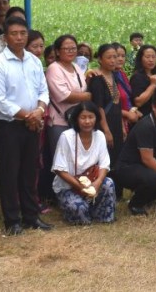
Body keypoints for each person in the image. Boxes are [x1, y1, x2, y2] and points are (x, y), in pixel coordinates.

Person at [0, 16, 52, 235]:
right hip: (9, 127)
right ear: (5, 38)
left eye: (23, 33)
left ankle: (31, 216)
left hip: (33, 124)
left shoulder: (34, 61)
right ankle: (12, 220)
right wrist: (29, 116)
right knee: (10, 173)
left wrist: (40, 111)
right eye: (14, 34)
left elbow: (43, 90)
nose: (19, 37)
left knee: (29, 171)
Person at [115, 85, 156, 215]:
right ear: (153, 106)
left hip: (149, 166)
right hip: (128, 167)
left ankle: (152, 197)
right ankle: (135, 204)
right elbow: (147, 159)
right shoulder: (145, 126)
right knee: (154, 178)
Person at [44, 35, 92, 205]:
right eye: (67, 48)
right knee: (60, 160)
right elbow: (63, 95)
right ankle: (59, 195)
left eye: (73, 48)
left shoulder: (76, 68)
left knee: (75, 159)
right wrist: (86, 96)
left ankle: (76, 191)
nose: (71, 51)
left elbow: (83, 86)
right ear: (57, 51)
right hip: (59, 122)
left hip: (75, 122)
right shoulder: (54, 69)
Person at [51, 102, 116, 225]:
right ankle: (82, 212)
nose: (87, 121)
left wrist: (97, 182)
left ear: (96, 118)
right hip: (69, 186)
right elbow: (59, 169)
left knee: (108, 184)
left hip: (90, 181)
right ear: (76, 119)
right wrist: (80, 187)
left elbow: (104, 164)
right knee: (78, 208)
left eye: (91, 117)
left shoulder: (100, 136)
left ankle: (102, 217)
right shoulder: (66, 137)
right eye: (83, 117)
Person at [88, 44, 140, 188]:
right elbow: (99, 107)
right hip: (104, 125)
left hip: (116, 123)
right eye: (109, 57)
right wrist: (106, 130)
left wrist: (121, 127)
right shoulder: (97, 79)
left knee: (117, 157)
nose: (113, 60)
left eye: (115, 57)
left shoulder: (114, 76)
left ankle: (116, 191)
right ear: (100, 59)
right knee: (105, 158)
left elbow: (117, 105)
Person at [129, 44, 156, 109]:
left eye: (153, 57)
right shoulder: (137, 77)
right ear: (140, 58)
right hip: (143, 116)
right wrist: (153, 85)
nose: (151, 60)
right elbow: (138, 102)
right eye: (147, 57)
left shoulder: (155, 75)